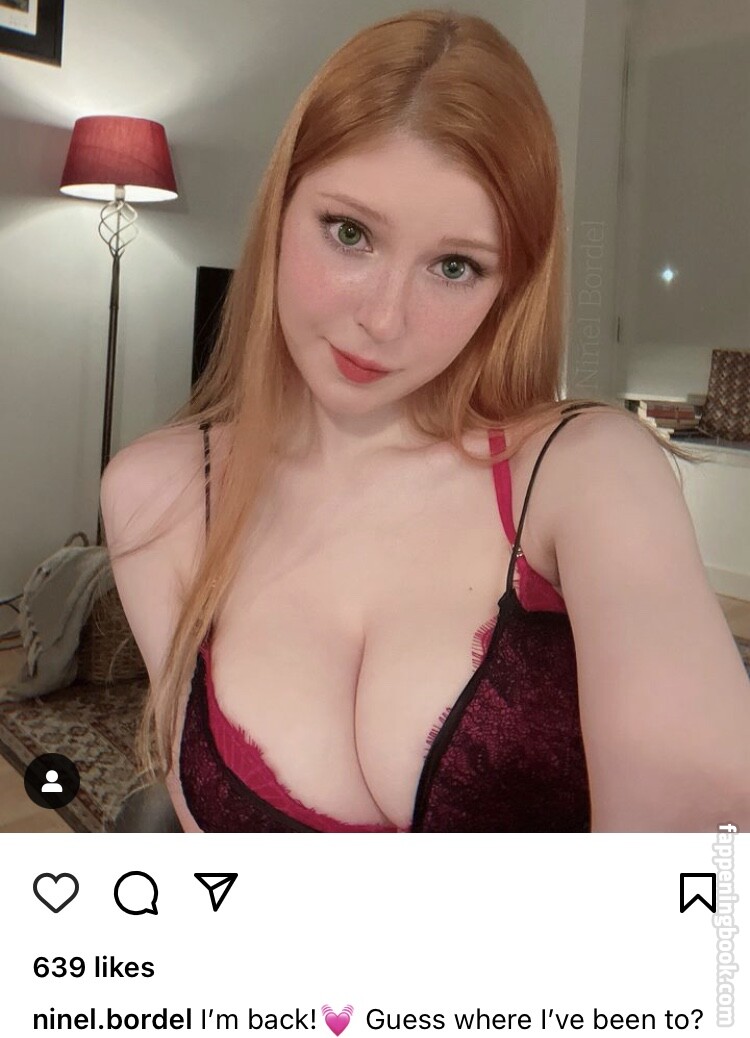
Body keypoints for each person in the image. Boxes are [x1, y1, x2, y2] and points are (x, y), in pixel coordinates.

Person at [100, 8, 750, 833]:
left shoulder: (586, 473)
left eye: (454, 266)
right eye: (349, 233)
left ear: (507, 289)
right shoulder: (155, 496)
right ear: (280, 209)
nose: (384, 320)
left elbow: (705, 868)